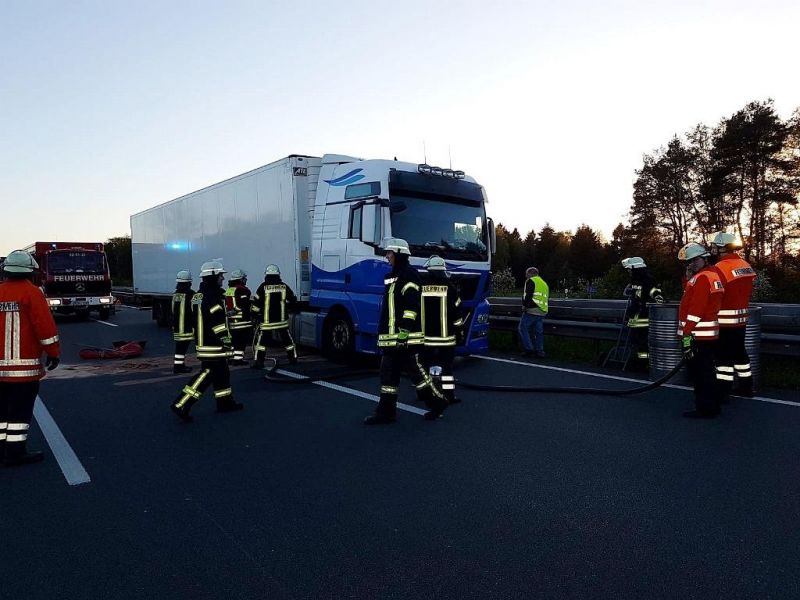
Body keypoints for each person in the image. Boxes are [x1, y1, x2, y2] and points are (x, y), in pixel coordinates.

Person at [365, 239, 447, 424]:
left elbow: (411, 307)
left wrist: (403, 333)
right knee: (388, 377)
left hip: (405, 339)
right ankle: (386, 412)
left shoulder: (408, 275)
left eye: (390, 254)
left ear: (399, 255)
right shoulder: (395, 275)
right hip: (393, 339)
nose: (387, 257)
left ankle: (437, 403)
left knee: (417, 375)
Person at [0, 250, 60, 466]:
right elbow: (45, 329)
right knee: (18, 413)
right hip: (23, 374)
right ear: (30, 271)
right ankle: (14, 453)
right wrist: (53, 353)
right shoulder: (33, 293)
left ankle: (2, 449)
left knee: (2, 411)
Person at [171, 260, 242, 422]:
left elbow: (203, 317)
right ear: (213, 276)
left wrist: (226, 315)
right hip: (213, 344)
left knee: (222, 373)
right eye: (220, 276)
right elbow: (217, 323)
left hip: (203, 342)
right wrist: (227, 342)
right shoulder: (214, 296)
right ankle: (181, 404)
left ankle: (225, 403)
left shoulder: (198, 296)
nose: (223, 279)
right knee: (207, 375)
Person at [677, 242, 725, 419]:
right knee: (706, 372)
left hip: (698, 335)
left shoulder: (703, 278)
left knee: (700, 374)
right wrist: (688, 278)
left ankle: (705, 408)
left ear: (704, 258)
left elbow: (696, 310)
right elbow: (691, 296)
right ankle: (712, 405)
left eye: (695, 260)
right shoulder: (710, 275)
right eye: (689, 262)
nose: (692, 264)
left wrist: (686, 335)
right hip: (705, 335)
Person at [709, 231, 757, 399]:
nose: (712, 249)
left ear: (723, 248)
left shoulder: (719, 268)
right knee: (739, 353)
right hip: (741, 320)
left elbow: (714, 293)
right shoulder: (745, 265)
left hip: (723, 321)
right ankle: (746, 387)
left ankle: (723, 390)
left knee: (722, 358)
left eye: (715, 246)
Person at [420, 255, 465, 404]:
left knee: (425, 368)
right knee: (447, 368)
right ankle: (449, 395)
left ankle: (426, 394)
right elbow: (458, 315)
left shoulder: (422, 287)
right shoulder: (451, 289)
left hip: (426, 338)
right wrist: (460, 333)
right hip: (447, 339)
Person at [251, 264, 298, 368]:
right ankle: (293, 359)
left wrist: (255, 315)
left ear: (266, 275)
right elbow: (293, 300)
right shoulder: (284, 286)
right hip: (282, 321)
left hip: (267, 322)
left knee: (262, 343)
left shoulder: (262, 287)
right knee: (288, 341)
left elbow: (256, 304)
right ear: (278, 275)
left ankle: (259, 362)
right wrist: (288, 308)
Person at [621, 257, 664, 361]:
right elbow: (634, 296)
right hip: (636, 316)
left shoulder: (648, 280)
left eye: (630, 270)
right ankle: (638, 360)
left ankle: (645, 362)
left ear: (636, 268)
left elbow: (655, 295)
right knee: (637, 341)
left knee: (643, 342)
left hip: (644, 317)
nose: (629, 272)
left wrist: (658, 300)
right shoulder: (636, 279)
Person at [225, 269, 253, 366]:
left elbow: (229, 304)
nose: (246, 280)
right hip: (242, 321)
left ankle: (231, 358)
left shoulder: (229, 290)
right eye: (244, 278)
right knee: (241, 342)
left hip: (232, 321)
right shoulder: (243, 290)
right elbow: (244, 304)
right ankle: (238, 360)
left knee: (234, 341)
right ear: (241, 279)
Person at [519, 267, 549, 358]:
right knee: (538, 332)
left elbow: (529, 294)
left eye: (526, 274)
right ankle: (540, 351)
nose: (526, 276)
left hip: (532, 310)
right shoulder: (544, 283)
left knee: (522, 328)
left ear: (531, 273)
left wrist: (525, 306)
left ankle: (529, 349)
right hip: (542, 311)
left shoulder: (531, 281)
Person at [171, 270, 195, 374]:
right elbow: (194, 311)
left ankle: (179, 365)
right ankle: (179, 367)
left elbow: (172, 310)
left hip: (177, 326)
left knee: (179, 348)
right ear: (189, 282)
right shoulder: (191, 294)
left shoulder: (176, 295)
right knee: (182, 349)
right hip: (187, 327)